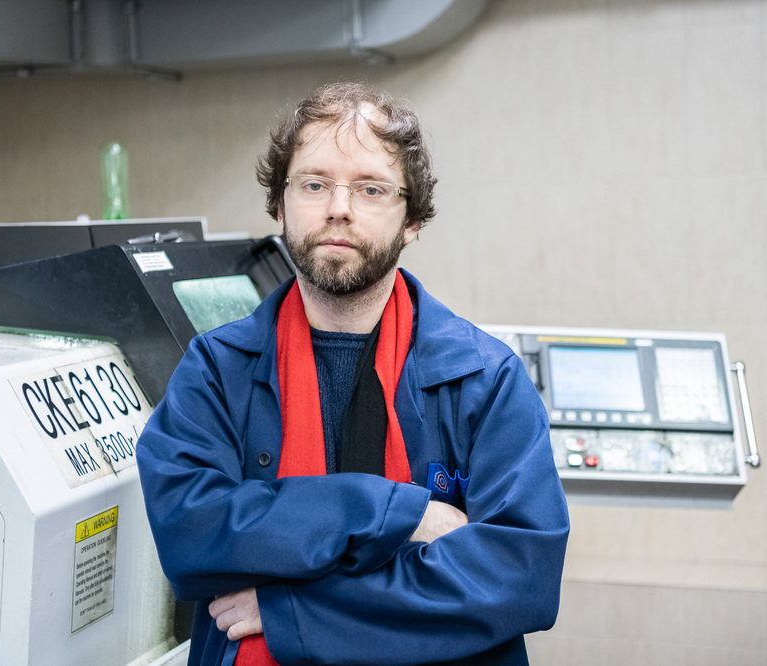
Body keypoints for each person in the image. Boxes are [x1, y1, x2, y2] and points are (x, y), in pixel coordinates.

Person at [137, 81, 569, 666]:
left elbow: (520, 580)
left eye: (370, 189)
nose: (338, 207)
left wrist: (296, 611)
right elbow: (191, 535)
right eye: (314, 184)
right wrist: (395, 513)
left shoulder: (485, 380)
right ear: (280, 205)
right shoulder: (216, 370)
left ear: (412, 220)